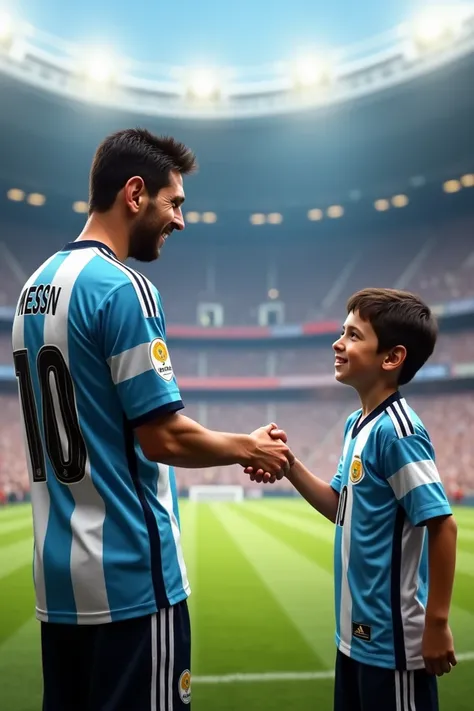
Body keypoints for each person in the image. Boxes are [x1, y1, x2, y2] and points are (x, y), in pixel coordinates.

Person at [11, 128, 293, 711]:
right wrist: (250, 447)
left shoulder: (32, 290)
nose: (181, 221)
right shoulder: (123, 288)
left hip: (59, 584)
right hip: (131, 582)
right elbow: (162, 435)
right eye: (175, 203)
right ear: (135, 193)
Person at [246, 287, 458, 711]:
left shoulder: (397, 431)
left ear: (391, 358)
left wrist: (436, 624)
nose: (337, 343)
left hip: (393, 645)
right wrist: (288, 463)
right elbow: (339, 507)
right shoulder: (356, 425)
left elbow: (442, 525)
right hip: (354, 639)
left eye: (354, 335)